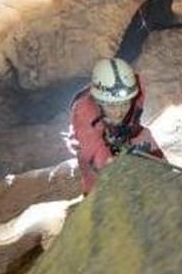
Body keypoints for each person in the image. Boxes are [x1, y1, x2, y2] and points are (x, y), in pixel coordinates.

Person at [68, 57, 164, 195]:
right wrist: (118, 171)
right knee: (95, 176)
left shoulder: (136, 90)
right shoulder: (84, 112)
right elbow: (95, 152)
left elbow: (134, 122)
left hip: (121, 130)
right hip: (94, 134)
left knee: (146, 139)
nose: (119, 112)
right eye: (112, 106)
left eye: (125, 103)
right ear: (99, 101)